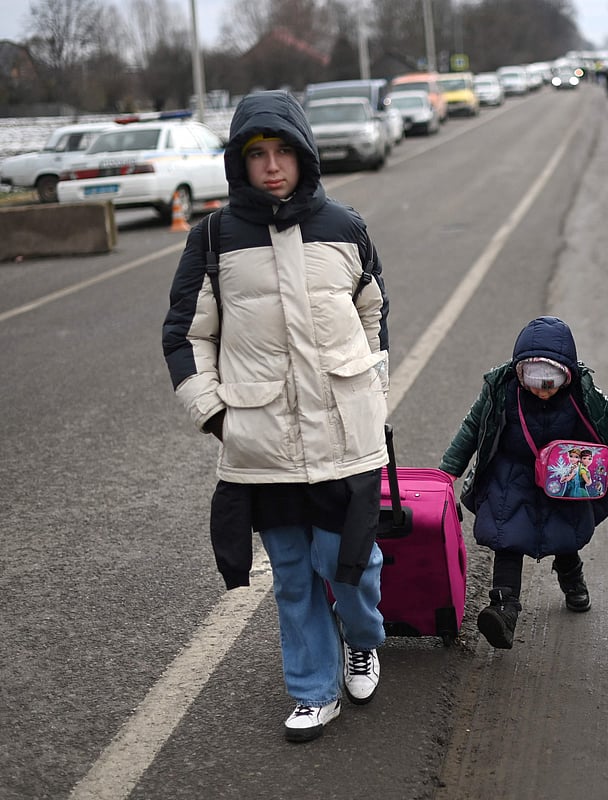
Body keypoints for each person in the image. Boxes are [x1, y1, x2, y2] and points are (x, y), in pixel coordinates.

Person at [162, 90, 390, 742]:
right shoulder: (213, 237)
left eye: (282, 151)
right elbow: (185, 335)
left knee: (352, 569)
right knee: (292, 578)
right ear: (239, 161)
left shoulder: (346, 226)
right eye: (256, 153)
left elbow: (373, 311)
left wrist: (371, 389)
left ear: (304, 155)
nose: (271, 166)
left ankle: (364, 640)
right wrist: (215, 414)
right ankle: (313, 690)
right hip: (262, 446)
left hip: (346, 437)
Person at [439, 316, 608, 649]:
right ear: (519, 371)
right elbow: (472, 427)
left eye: (550, 384)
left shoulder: (579, 392)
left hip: (562, 476)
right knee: (507, 539)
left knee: (564, 535)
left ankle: (572, 578)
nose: (541, 391)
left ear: (566, 376)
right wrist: (448, 472)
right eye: (533, 381)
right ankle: (503, 608)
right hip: (511, 476)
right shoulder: (501, 389)